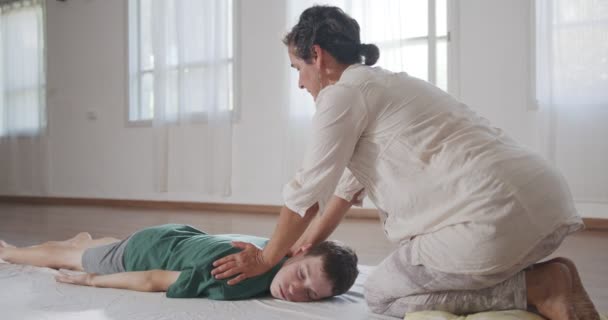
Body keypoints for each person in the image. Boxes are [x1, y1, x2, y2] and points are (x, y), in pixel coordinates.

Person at [211, 5, 600, 320]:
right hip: (548, 203)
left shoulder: (340, 95)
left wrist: (265, 257)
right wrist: (308, 241)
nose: (300, 84)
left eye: (298, 70)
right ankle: (549, 275)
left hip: (489, 222)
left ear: (317, 55)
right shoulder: (386, 84)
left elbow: (306, 193)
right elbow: (344, 190)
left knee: (382, 295)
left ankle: (540, 286)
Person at [0, 223, 358, 302]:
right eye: (302, 276)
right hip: (143, 252)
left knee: (99, 247)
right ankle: (8, 250)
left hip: (179, 234)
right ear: (299, 254)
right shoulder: (234, 275)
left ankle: (89, 241)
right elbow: (154, 279)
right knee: (68, 258)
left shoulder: (274, 248)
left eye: (310, 296)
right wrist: (92, 281)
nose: (296, 291)